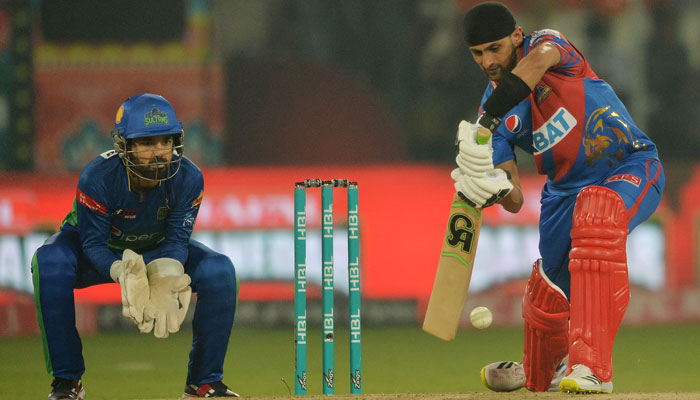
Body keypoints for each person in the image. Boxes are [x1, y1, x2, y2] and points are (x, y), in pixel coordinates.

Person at [450, 2, 664, 394]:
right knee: (547, 293)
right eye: (477, 54)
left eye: (494, 48)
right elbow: (514, 198)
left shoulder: (548, 46)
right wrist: (493, 185)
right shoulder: (492, 112)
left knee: (595, 217)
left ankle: (592, 367)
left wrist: (484, 123)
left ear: (516, 36)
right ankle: (540, 368)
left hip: (628, 166)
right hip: (562, 193)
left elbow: (532, 69)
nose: (487, 61)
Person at [32, 93, 240, 399]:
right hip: (98, 252)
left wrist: (166, 270)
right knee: (49, 261)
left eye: (165, 142)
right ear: (124, 146)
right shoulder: (97, 177)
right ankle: (67, 382)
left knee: (220, 271)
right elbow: (92, 242)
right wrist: (119, 271)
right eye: (146, 143)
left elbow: (177, 239)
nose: (158, 152)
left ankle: (203, 383)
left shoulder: (190, 178)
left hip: (157, 248)